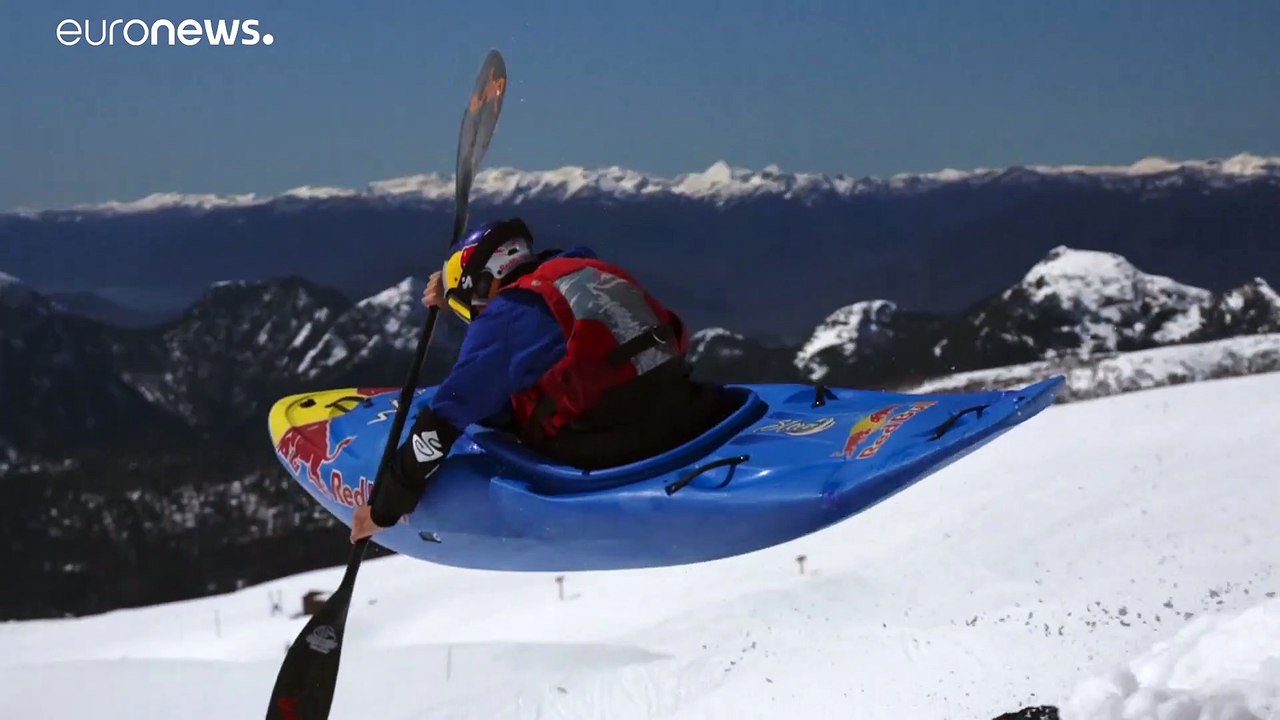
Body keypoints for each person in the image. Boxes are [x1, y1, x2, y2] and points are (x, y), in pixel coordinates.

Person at [351, 218, 729, 542]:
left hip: (615, 445)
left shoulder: (508, 315)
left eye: (470, 306)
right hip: (683, 403)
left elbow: (442, 423)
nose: (475, 317)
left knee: (485, 418)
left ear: (482, 284)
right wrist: (455, 287)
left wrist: (384, 509)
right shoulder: (580, 269)